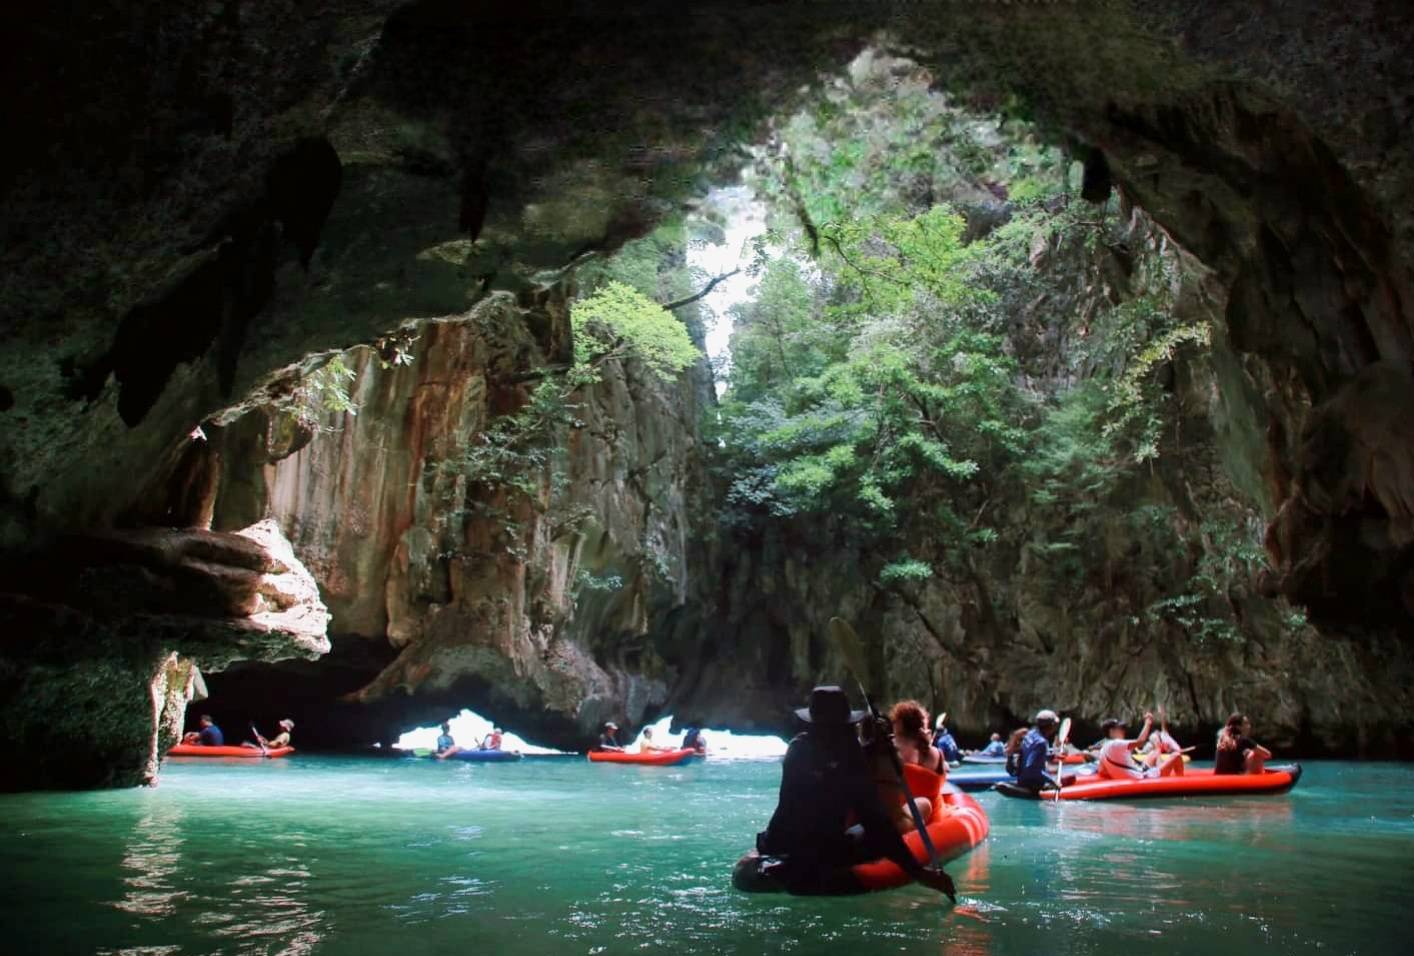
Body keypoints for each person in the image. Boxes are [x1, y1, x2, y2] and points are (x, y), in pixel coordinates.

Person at [753, 686, 956, 900]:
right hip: (825, 850)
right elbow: (875, 821)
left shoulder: (797, 748)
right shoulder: (850, 756)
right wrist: (919, 872)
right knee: (871, 834)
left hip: (781, 842)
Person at [888, 700, 947, 830]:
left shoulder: (890, 752)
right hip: (936, 819)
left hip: (906, 820)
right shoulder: (937, 753)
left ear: (898, 725)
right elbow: (943, 781)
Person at [1094, 714, 1183, 780]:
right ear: (1112, 731)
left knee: (1154, 753)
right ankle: (1180, 784)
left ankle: (1159, 771)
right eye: (1120, 728)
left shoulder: (1103, 748)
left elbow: (1102, 771)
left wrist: (1117, 774)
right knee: (1176, 756)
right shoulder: (1115, 743)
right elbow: (1140, 742)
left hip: (1136, 773)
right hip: (1140, 777)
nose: (1123, 731)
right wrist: (1147, 723)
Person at [1013, 710, 1061, 791]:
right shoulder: (1041, 743)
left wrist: (1052, 756)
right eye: (1055, 725)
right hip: (1033, 784)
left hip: (1021, 779)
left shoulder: (1030, 734)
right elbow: (1032, 768)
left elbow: (1032, 754)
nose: (1056, 727)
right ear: (1051, 726)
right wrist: (1053, 782)